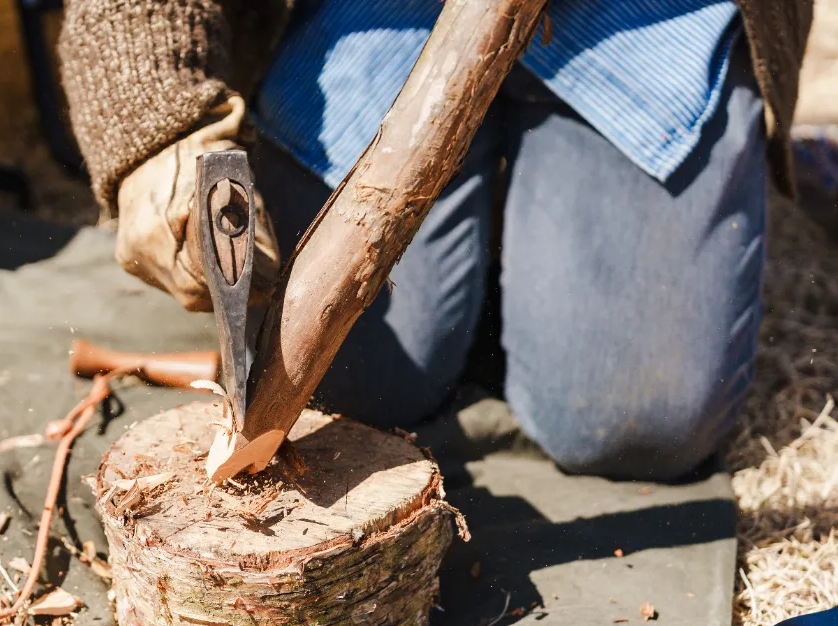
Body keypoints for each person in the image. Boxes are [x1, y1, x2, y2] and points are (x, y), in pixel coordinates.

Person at [58, 0, 813, 482]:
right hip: (386, 19)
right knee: (349, 382)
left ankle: (535, 220)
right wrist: (153, 110)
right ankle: (497, 236)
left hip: (639, 21)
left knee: (635, 420)